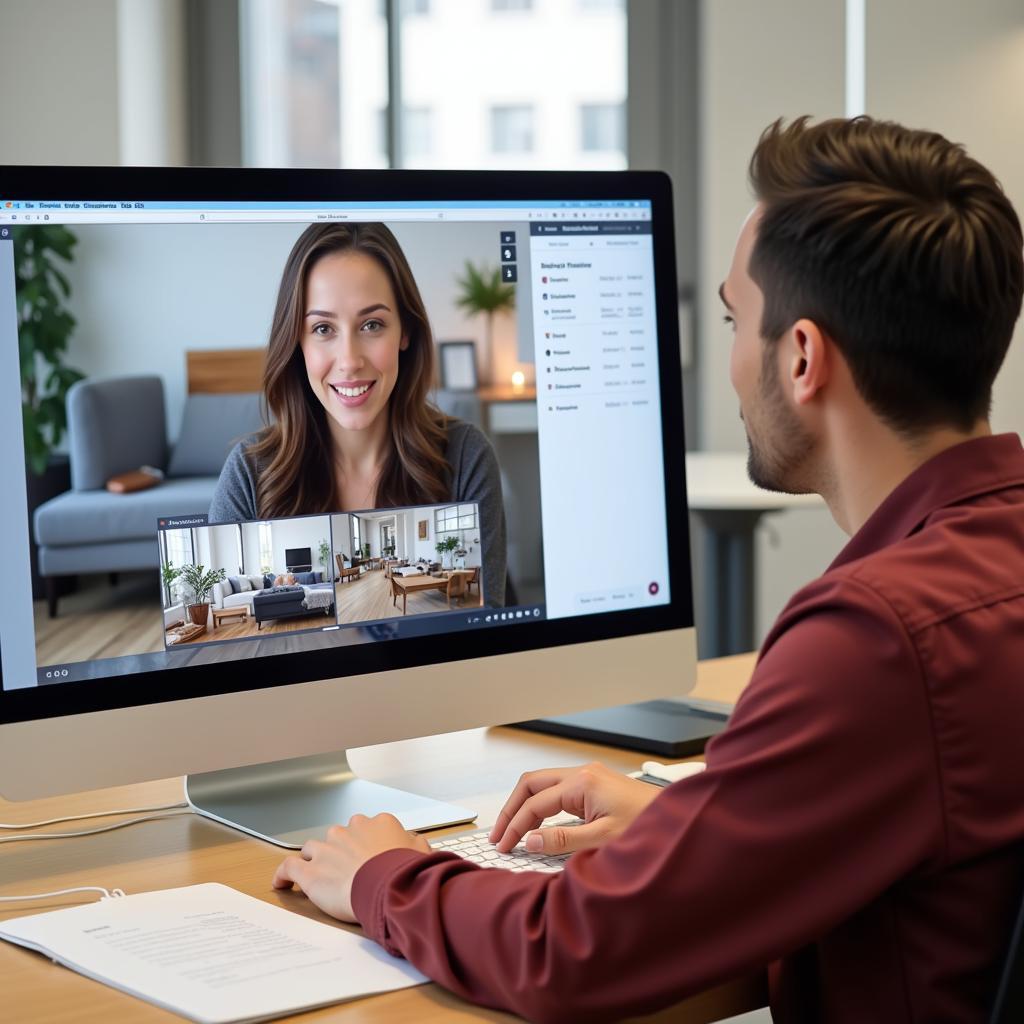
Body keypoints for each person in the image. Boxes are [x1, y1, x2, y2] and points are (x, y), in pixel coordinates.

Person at [270, 118, 1024, 1023]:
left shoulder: (875, 643)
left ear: (802, 358)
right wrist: (702, 816)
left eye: (733, 321)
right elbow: (890, 796)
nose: (732, 364)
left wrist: (385, 877)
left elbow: (570, 953)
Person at [209, 222, 506, 606]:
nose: (349, 361)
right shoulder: (248, 474)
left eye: (372, 324)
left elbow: (483, 642)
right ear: (297, 342)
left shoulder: (467, 457)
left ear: (405, 332)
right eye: (322, 328)